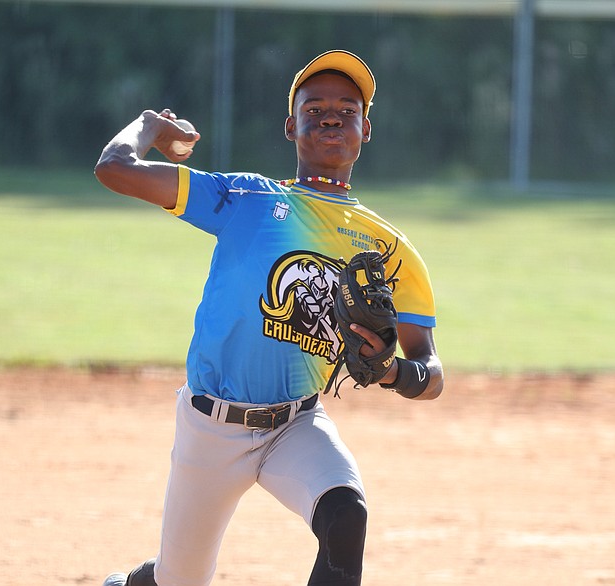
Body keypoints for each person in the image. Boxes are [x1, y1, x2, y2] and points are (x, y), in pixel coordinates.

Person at [94, 49, 444, 586]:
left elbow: (431, 373)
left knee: (347, 515)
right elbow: (116, 170)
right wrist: (148, 125)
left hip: (297, 421)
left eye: (348, 108)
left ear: (366, 129)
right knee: (178, 580)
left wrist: (393, 371)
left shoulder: (390, 248)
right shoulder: (247, 197)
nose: (332, 116)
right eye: (315, 106)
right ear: (291, 125)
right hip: (212, 427)